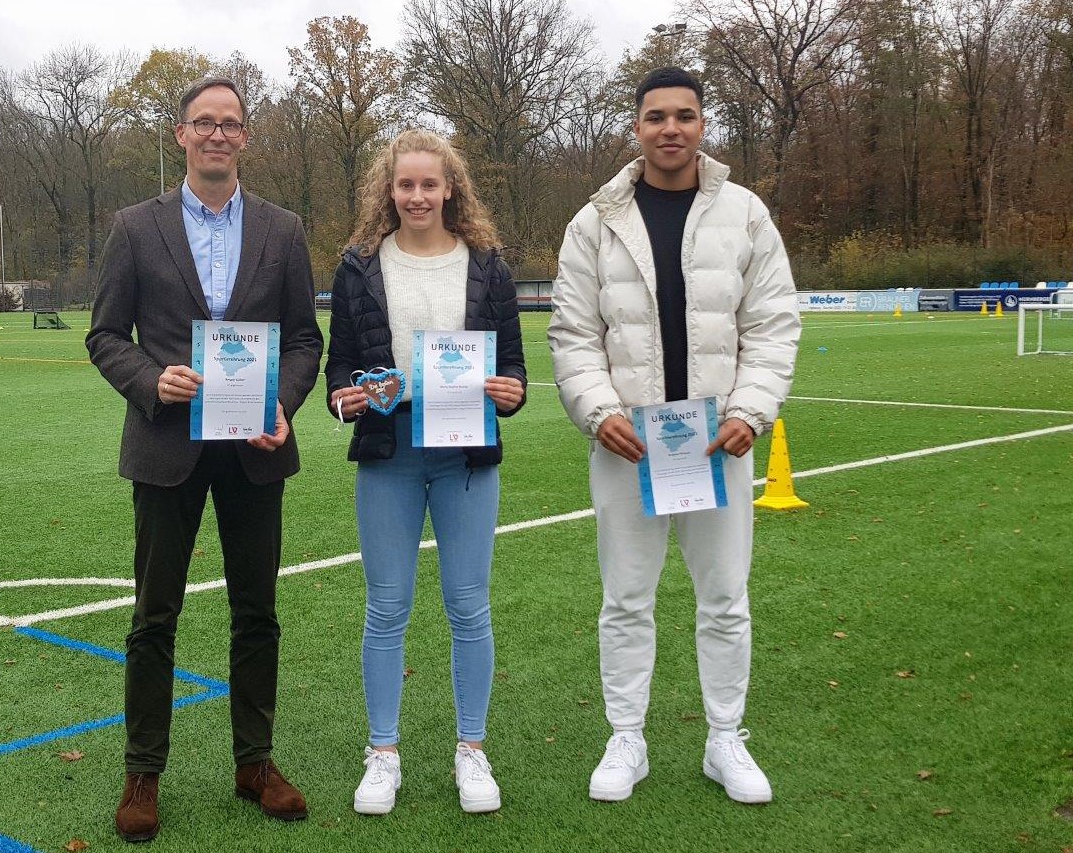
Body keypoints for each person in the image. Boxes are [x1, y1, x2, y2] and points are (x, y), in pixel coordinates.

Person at [547, 66, 800, 806]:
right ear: (635, 127)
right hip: (629, 444)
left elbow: (772, 324)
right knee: (625, 599)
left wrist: (749, 411)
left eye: (683, 116)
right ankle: (626, 736)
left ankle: (725, 737)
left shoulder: (744, 213)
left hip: (718, 444)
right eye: (655, 116)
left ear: (701, 125)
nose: (669, 129)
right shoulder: (594, 220)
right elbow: (572, 333)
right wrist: (599, 411)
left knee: (724, 598)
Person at [86, 75, 323, 842]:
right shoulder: (134, 225)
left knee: (257, 612)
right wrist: (152, 381)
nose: (217, 134)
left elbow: (304, 339)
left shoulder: (283, 229)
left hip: (254, 450)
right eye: (203, 123)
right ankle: (143, 772)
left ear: (246, 136)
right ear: (181, 134)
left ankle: (254, 763)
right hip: (167, 447)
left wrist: (283, 405)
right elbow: (103, 335)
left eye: (231, 123)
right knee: (155, 616)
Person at [324, 129, 527, 816]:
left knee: (468, 605)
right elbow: (340, 365)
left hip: (466, 456)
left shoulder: (488, 265)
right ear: (389, 189)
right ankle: (382, 752)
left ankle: (472, 748)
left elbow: (514, 366)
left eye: (428, 184)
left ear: (450, 190)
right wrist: (343, 395)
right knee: (386, 608)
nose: (416, 195)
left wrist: (511, 391)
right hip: (390, 455)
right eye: (404, 184)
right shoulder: (357, 266)